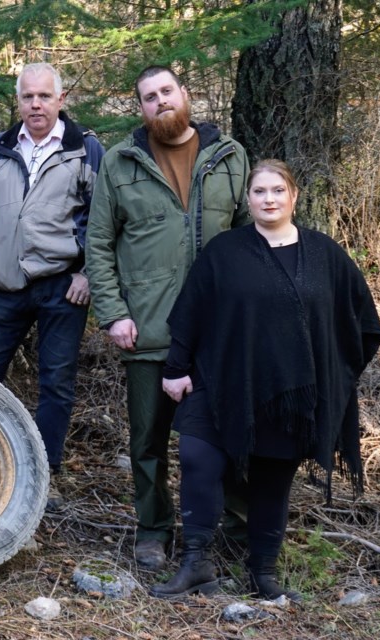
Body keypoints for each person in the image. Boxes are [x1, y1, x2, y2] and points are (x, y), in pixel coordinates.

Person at [149, 160, 380, 600]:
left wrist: (335, 376)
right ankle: (196, 563)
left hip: (290, 397)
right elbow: (191, 311)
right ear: (249, 200)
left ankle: (264, 574)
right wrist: (176, 368)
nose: (269, 199)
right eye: (259, 192)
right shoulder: (225, 251)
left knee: (273, 480)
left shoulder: (325, 254)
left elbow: (364, 324)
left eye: (278, 190)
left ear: (294, 196)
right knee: (199, 457)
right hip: (222, 383)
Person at [85, 65, 250, 569]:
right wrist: (113, 313)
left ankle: (234, 530)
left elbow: (252, 238)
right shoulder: (120, 163)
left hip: (219, 334)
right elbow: (98, 243)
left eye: (166, 92)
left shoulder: (229, 156)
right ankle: (153, 530)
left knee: (230, 436)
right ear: (141, 109)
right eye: (148, 97)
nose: (160, 102)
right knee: (148, 443)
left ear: (186, 94)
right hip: (149, 329)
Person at [0, 62, 105, 510]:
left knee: (57, 383)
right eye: (28, 96)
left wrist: (88, 274)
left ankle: (45, 474)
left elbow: (106, 222)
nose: (36, 104)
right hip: (4, 285)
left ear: (61, 100)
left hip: (64, 287)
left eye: (45, 96)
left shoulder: (86, 151)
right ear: (18, 101)